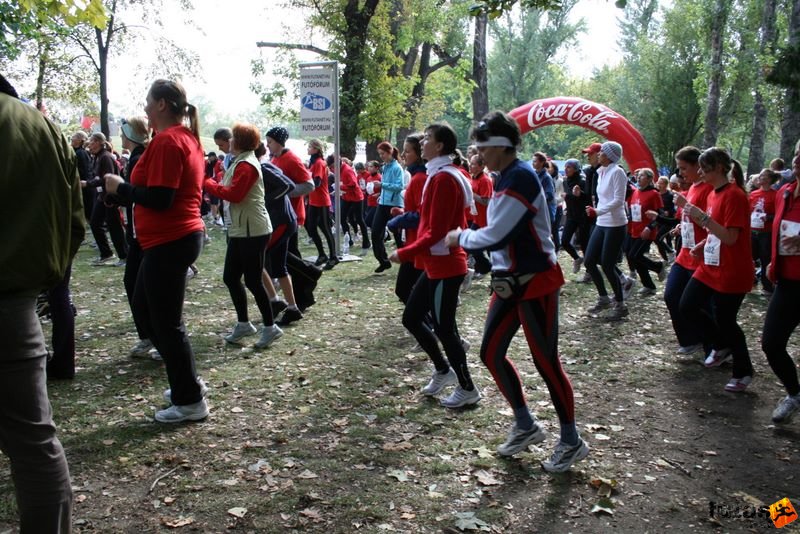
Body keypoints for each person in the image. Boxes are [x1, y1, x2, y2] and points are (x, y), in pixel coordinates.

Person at [446, 111, 588, 472]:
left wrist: (459, 236)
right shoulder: (505, 176)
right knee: (491, 353)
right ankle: (526, 425)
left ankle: (571, 440)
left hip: (536, 281)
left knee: (545, 361)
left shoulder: (520, 178)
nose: (477, 153)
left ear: (501, 146)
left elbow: (496, 234)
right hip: (509, 281)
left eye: (482, 146)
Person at [1, 72, 82, 532]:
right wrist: (44, 277)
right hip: (16, 307)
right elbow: (72, 221)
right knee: (34, 442)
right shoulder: (41, 127)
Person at [105, 79, 208, 423]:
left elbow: (162, 199)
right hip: (167, 240)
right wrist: (123, 191)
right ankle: (186, 382)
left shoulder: (169, 141)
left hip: (171, 238)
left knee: (165, 322)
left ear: (163, 104)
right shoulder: (183, 138)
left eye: (148, 102)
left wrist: (123, 187)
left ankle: (190, 399)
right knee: (147, 310)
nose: (145, 108)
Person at [389, 123, 480, 409]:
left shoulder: (443, 178)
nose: (422, 142)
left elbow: (437, 231)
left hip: (447, 266)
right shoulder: (440, 175)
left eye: (427, 139)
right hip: (436, 264)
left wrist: (404, 253)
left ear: (439, 146)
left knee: (445, 329)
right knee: (412, 318)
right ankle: (444, 370)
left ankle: (468, 388)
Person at [676, 147, 754, 392]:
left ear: (719, 168)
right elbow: (715, 232)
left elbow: (731, 237)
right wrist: (702, 243)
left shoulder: (735, 195)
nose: (699, 172)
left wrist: (702, 218)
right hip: (711, 264)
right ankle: (720, 345)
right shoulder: (713, 195)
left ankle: (743, 372)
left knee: (727, 320)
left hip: (732, 268)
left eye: (703, 167)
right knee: (687, 304)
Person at [204, 124, 282, 349]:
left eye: (233, 137)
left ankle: (270, 327)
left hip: (253, 230)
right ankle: (244, 323)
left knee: (253, 280)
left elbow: (235, 195)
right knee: (230, 277)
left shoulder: (247, 164)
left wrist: (208, 184)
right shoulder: (239, 161)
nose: (229, 140)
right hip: (241, 229)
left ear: (240, 141)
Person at [763, 154, 800, 422]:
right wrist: (772, 263)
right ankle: (794, 394)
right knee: (771, 343)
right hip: (786, 282)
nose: (798, 159)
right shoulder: (784, 192)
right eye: (798, 154)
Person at [582, 141, 631, 320]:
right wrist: (595, 210)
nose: (599, 154)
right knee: (589, 260)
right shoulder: (600, 172)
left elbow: (619, 200)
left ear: (609, 156)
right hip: (601, 222)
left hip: (615, 224)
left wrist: (598, 211)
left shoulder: (617, 172)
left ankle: (620, 304)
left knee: (608, 265)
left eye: (602, 152)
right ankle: (603, 298)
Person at [84, 131, 128, 265]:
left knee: (114, 226)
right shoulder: (98, 157)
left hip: (110, 198)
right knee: (96, 223)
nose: (89, 145)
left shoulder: (106, 157)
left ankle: (124, 256)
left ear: (98, 142)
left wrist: (88, 183)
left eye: (91, 141)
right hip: (102, 197)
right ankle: (107, 253)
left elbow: (107, 178)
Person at [626, 168, 666, 296]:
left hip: (647, 231)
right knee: (635, 259)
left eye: (642, 176)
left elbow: (660, 215)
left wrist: (650, 227)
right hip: (634, 230)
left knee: (634, 256)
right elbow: (632, 212)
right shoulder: (635, 192)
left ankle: (658, 266)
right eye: (637, 175)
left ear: (649, 179)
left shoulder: (654, 194)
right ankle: (649, 286)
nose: (638, 177)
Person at [306, 139, 338, 269]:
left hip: (322, 201)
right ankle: (322, 254)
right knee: (310, 227)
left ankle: (333, 257)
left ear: (316, 149)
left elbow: (317, 182)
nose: (307, 149)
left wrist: (305, 180)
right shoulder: (313, 162)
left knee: (325, 229)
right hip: (314, 200)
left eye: (309, 147)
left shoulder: (319, 163)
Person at [373, 142, 405, 273]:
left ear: (390, 152)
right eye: (379, 154)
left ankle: (406, 262)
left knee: (398, 235)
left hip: (394, 205)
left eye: (383, 153)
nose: (381, 156)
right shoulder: (385, 167)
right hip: (383, 204)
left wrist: (382, 185)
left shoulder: (397, 168)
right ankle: (384, 261)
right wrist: (381, 194)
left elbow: (399, 186)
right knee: (375, 233)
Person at [750, 168, 779, 295]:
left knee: (765, 258)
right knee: (749, 257)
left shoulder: (775, 195)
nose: (760, 177)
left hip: (766, 232)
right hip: (752, 230)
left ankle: (767, 287)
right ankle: (749, 281)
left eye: (763, 176)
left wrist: (768, 217)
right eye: (760, 175)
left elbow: (779, 214)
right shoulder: (753, 194)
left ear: (769, 179)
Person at [561, 158, 590, 276]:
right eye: (565, 167)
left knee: (585, 245)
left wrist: (569, 197)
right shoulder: (565, 181)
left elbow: (585, 198)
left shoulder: (582, 181)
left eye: (569, 167)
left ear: (576, 169)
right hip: (571, 216)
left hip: (583, 217)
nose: (566, 169)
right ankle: (577, 258)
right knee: (564, 241)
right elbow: (569, 197)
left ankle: (589, 272)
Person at [71, 130, 95, 223]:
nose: (72, 138)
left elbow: (84, 171)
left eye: (75, 137)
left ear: (80, 140)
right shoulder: (78, 152)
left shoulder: (80, 153)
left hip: (84, 188)